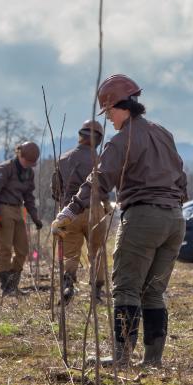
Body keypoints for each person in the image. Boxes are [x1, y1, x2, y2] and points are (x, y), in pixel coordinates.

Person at [52, 74, 188, 366]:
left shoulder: (123, 139)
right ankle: (153, 360)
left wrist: (71, 209)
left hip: (143, 217)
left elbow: (101, 178)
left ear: (118, 106)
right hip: (176, 219)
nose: (109, 119)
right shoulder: (163, 133)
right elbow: (181, 174)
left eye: (108, 112)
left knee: (126, 286)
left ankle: (121, 357)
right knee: (154, 290)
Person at [51, 120, 110, 304]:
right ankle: (97, 294)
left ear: (80, 135)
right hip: (95, 211)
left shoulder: (63, 159)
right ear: (99, 139)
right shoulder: (100, 160)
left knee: (70, 253)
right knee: (97, 251)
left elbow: (55, 189)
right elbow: (105, 186)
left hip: (70, 212)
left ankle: (68, 285)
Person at [0, 141, 43, 297]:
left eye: (31, 163)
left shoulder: (29, 173)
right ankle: (6, 288)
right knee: (5, 248)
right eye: (27, 161)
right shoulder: (5, 168)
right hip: (2, 208)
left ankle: (13, 285)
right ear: (20, 154)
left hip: (18, 210)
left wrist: (35, 216)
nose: (28, 165)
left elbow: (29, 197)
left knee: (22, 250)